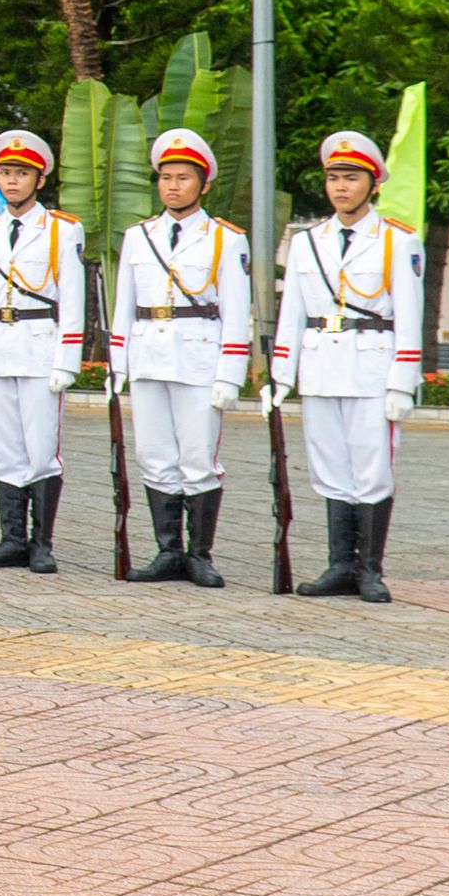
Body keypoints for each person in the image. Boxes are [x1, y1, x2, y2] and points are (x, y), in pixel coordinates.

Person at [271, 131, 423, 605]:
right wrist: (281, 374)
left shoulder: (399, 240)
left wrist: (403, 380)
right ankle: (340, 564)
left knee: (371, 469)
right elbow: (292, 312)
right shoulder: (306, 241)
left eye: (351, 178)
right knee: (330, 467)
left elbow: (409, 314)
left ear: (372, 184)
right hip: (321, 366)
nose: (341, 187)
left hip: (372, 367)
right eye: (334, 178)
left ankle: (369, 568)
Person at [111, 128, 250, 588]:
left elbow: (235, 311)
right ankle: (167, 551)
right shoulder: (138, 236)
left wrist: (230, 374)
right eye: (166, 177)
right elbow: (124, 305)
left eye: (183, 178)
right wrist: (119, 363)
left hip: (198, 360)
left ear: (204, 183)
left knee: (197, 458)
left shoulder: (226, 239)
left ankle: (199, 554)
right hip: (149, 355)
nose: (173, 186)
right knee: (154, 455)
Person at [0, 129, 86, 573]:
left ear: (40, 179)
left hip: (39, 349)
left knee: (40, 448)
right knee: (4, 446)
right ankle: (12, 538)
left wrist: (67, 359)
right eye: (6, 172)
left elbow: (73, 299)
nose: (12, 181)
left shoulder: (62, 231)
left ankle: (42, 543)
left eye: (22, 173)